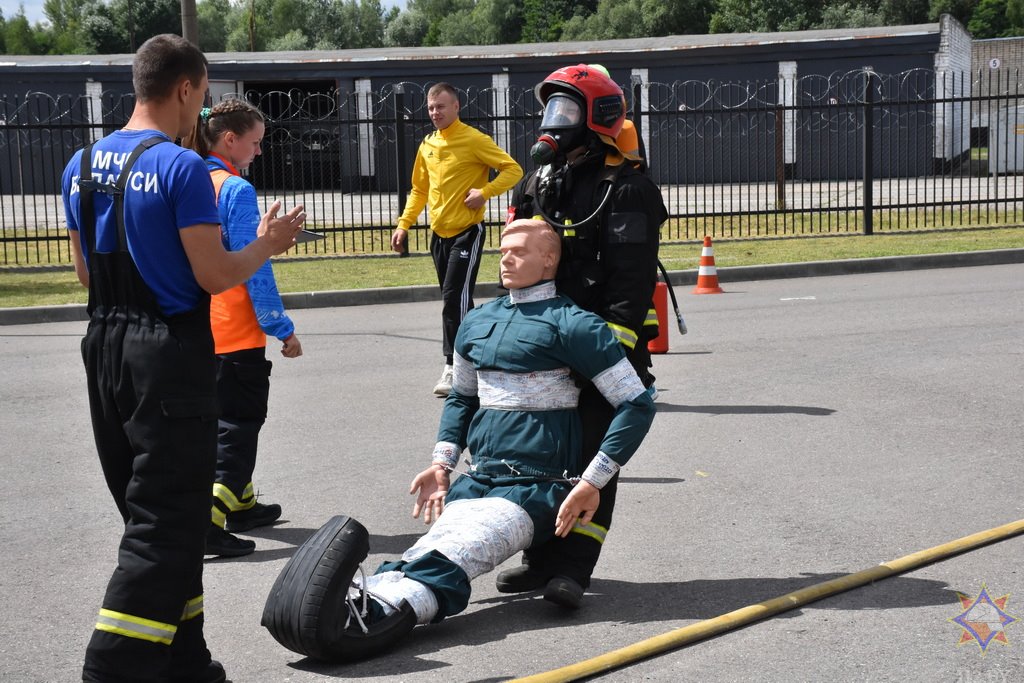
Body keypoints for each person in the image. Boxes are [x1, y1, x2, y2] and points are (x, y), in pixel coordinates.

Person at [262, 219, 656, 662]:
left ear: (550, 259)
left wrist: (592, 482)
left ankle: (375, 615)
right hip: (478, 480)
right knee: (437, 546)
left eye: (520, 251)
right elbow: (462, 398)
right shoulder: (477, 322)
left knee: (460, 551)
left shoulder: (577, 326)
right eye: (503, 249)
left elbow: (636, 404)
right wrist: (441, 463)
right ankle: (372, 597)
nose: (506, 257)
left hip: (537, 488)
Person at [61, 34, 305, 683]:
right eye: (199, 98)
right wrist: (268, 243)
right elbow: (214, 274)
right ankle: (111, 668)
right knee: (166, 526)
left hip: (105, 350)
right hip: (167, 355)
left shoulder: (79, 164)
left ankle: (184, 658)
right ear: (186, 89)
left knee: (157, 518)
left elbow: (87, 276)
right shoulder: (180, 168)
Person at [496, 64, 668, 609]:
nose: (555, 122)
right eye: (551, 110)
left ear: (601, 116)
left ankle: (573, 567)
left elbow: (631, 278)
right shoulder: (541, 178)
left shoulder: (629, 187)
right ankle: (541, 557)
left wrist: (608, 350)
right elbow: (520, 256)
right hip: (549, 340)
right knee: (547, 454)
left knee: (594, 452)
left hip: (601, 343)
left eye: (567, 110)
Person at [185, 98, 302, 558]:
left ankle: (243, 503)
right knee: (239, 428)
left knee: (220, 422)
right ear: (230, 140)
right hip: (237, 331)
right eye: (254, 143)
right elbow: (253, 267)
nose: (257, 152)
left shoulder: (194, 179)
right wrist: (282, 327)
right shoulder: (235, 190)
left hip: (201, 330)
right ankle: (211, 520)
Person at [390, 82, 523, 397]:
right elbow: (419, 190)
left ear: (456, 107)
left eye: (441, 106)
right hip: (439, 234)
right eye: (431, 107)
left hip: (468, 232)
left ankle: (453, 366)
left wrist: (485, 192)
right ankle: (479, 357)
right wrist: (403, 225)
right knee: (459, 301)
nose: (435, 112)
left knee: (453, 299)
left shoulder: (474, 139)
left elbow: (512, 170)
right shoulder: (428, 145)